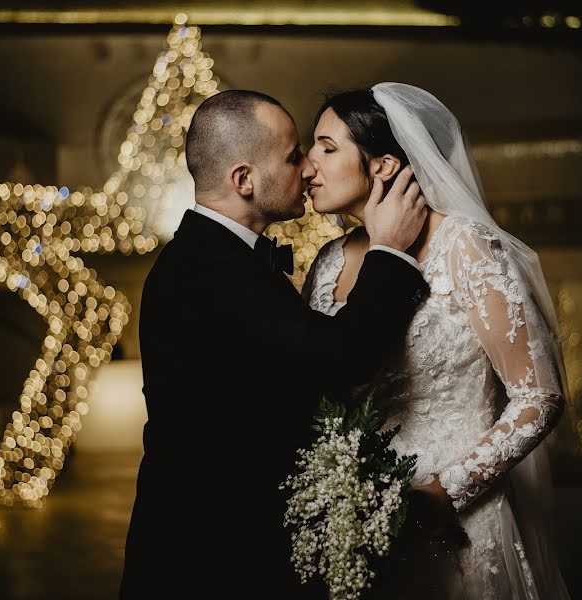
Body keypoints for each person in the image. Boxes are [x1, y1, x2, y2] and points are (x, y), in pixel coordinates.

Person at [119, 89, 430, 598]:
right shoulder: (210, 270)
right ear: (244, 179)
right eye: (292, 156)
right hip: (208, 559)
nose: (308, 167)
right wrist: (390, 250)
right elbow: (342, 357)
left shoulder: (219, 259)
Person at [303, 83, 570, 598]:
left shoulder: (464, 245)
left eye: (327, 148)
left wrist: (446, 491)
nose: (308, 164)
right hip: (359, 524)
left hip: (459, 515)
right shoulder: (327, 262)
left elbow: (540, 396)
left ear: (382, 165)